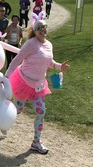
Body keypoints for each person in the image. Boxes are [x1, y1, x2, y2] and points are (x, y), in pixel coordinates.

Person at [5, 18, 70, 154]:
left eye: (44, 27)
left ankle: (36, 142)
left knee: (41, 111)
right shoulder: (30, 44)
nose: (43, 30)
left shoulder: (49, 45)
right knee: (17, 110)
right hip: (24, 82)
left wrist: (59, 66)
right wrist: (6, 78)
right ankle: (4, 120)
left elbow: (49, 62)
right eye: (39, 28)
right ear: (35, 31)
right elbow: (16, 60)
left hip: (39, 85)